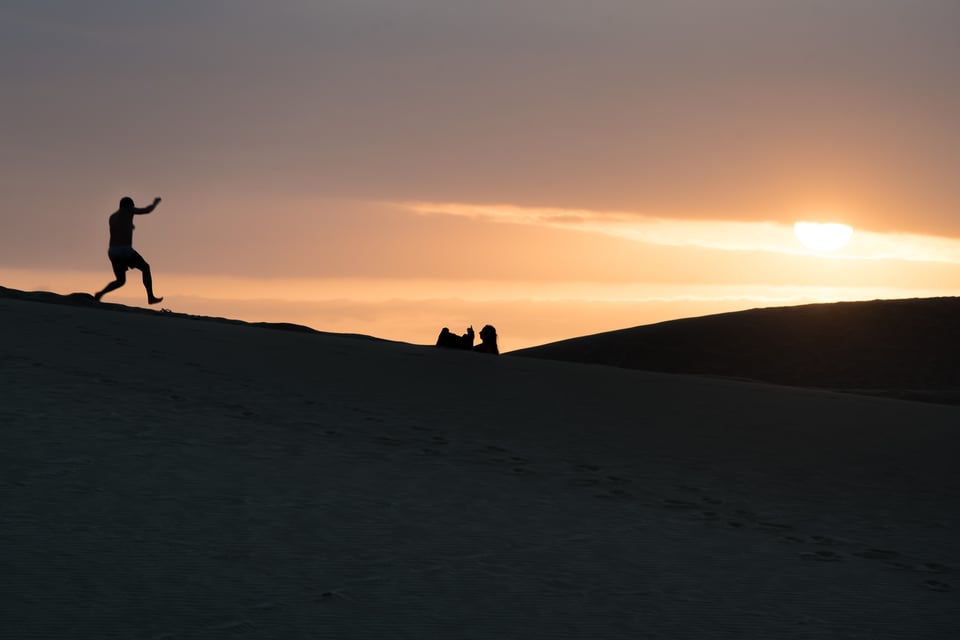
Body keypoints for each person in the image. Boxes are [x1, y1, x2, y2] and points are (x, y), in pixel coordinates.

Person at [94, 196, 164, 304]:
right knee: (145, 267)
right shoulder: (129, 210)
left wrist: (130, 225)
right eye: (132, 207)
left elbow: (119, 228)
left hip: (112, 251)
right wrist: (155, 203)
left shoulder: (112, 216)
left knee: (120, 281)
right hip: (125, 250)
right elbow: (147, 210)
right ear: (129, 206)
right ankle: (150, 297)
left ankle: (100, 294)